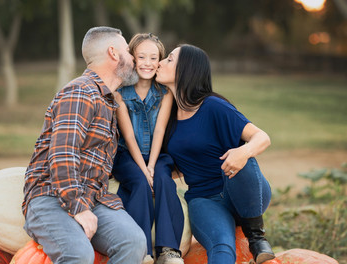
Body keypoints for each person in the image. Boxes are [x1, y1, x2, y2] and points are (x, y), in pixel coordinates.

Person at [22, 26, 147, 264]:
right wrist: (79, 208)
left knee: (134, 242)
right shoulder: (81, 92)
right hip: (51, 196)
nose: (134, 58)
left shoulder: (107, 99)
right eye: (129, 52)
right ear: (113, 53)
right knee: (78, 254)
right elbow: (62, 155)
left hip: (93, 198)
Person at [156, 44, 275, 264]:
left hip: (243, 192)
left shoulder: (213, 106)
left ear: (186, 69)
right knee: (221, 245)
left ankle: (256, 237)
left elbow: (262, 138)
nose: (160, 63)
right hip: (204, 199)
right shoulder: (168, 117)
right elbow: (181, 165)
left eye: (169, 59)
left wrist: (243, 151)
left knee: (244, 160)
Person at [112, 33, 184, 264]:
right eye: (141, 56)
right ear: (132, 58)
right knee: (141, 183)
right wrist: (143, 169)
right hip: (126, 154)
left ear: (160, 61)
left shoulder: (164, 93)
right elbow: (129, 136)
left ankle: (168, 249)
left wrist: (152, 165)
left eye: (154, 58)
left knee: (163, 180)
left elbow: (160, 131)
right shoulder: (120, 92)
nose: (147, 63)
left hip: (156, 154)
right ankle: (142, 249)